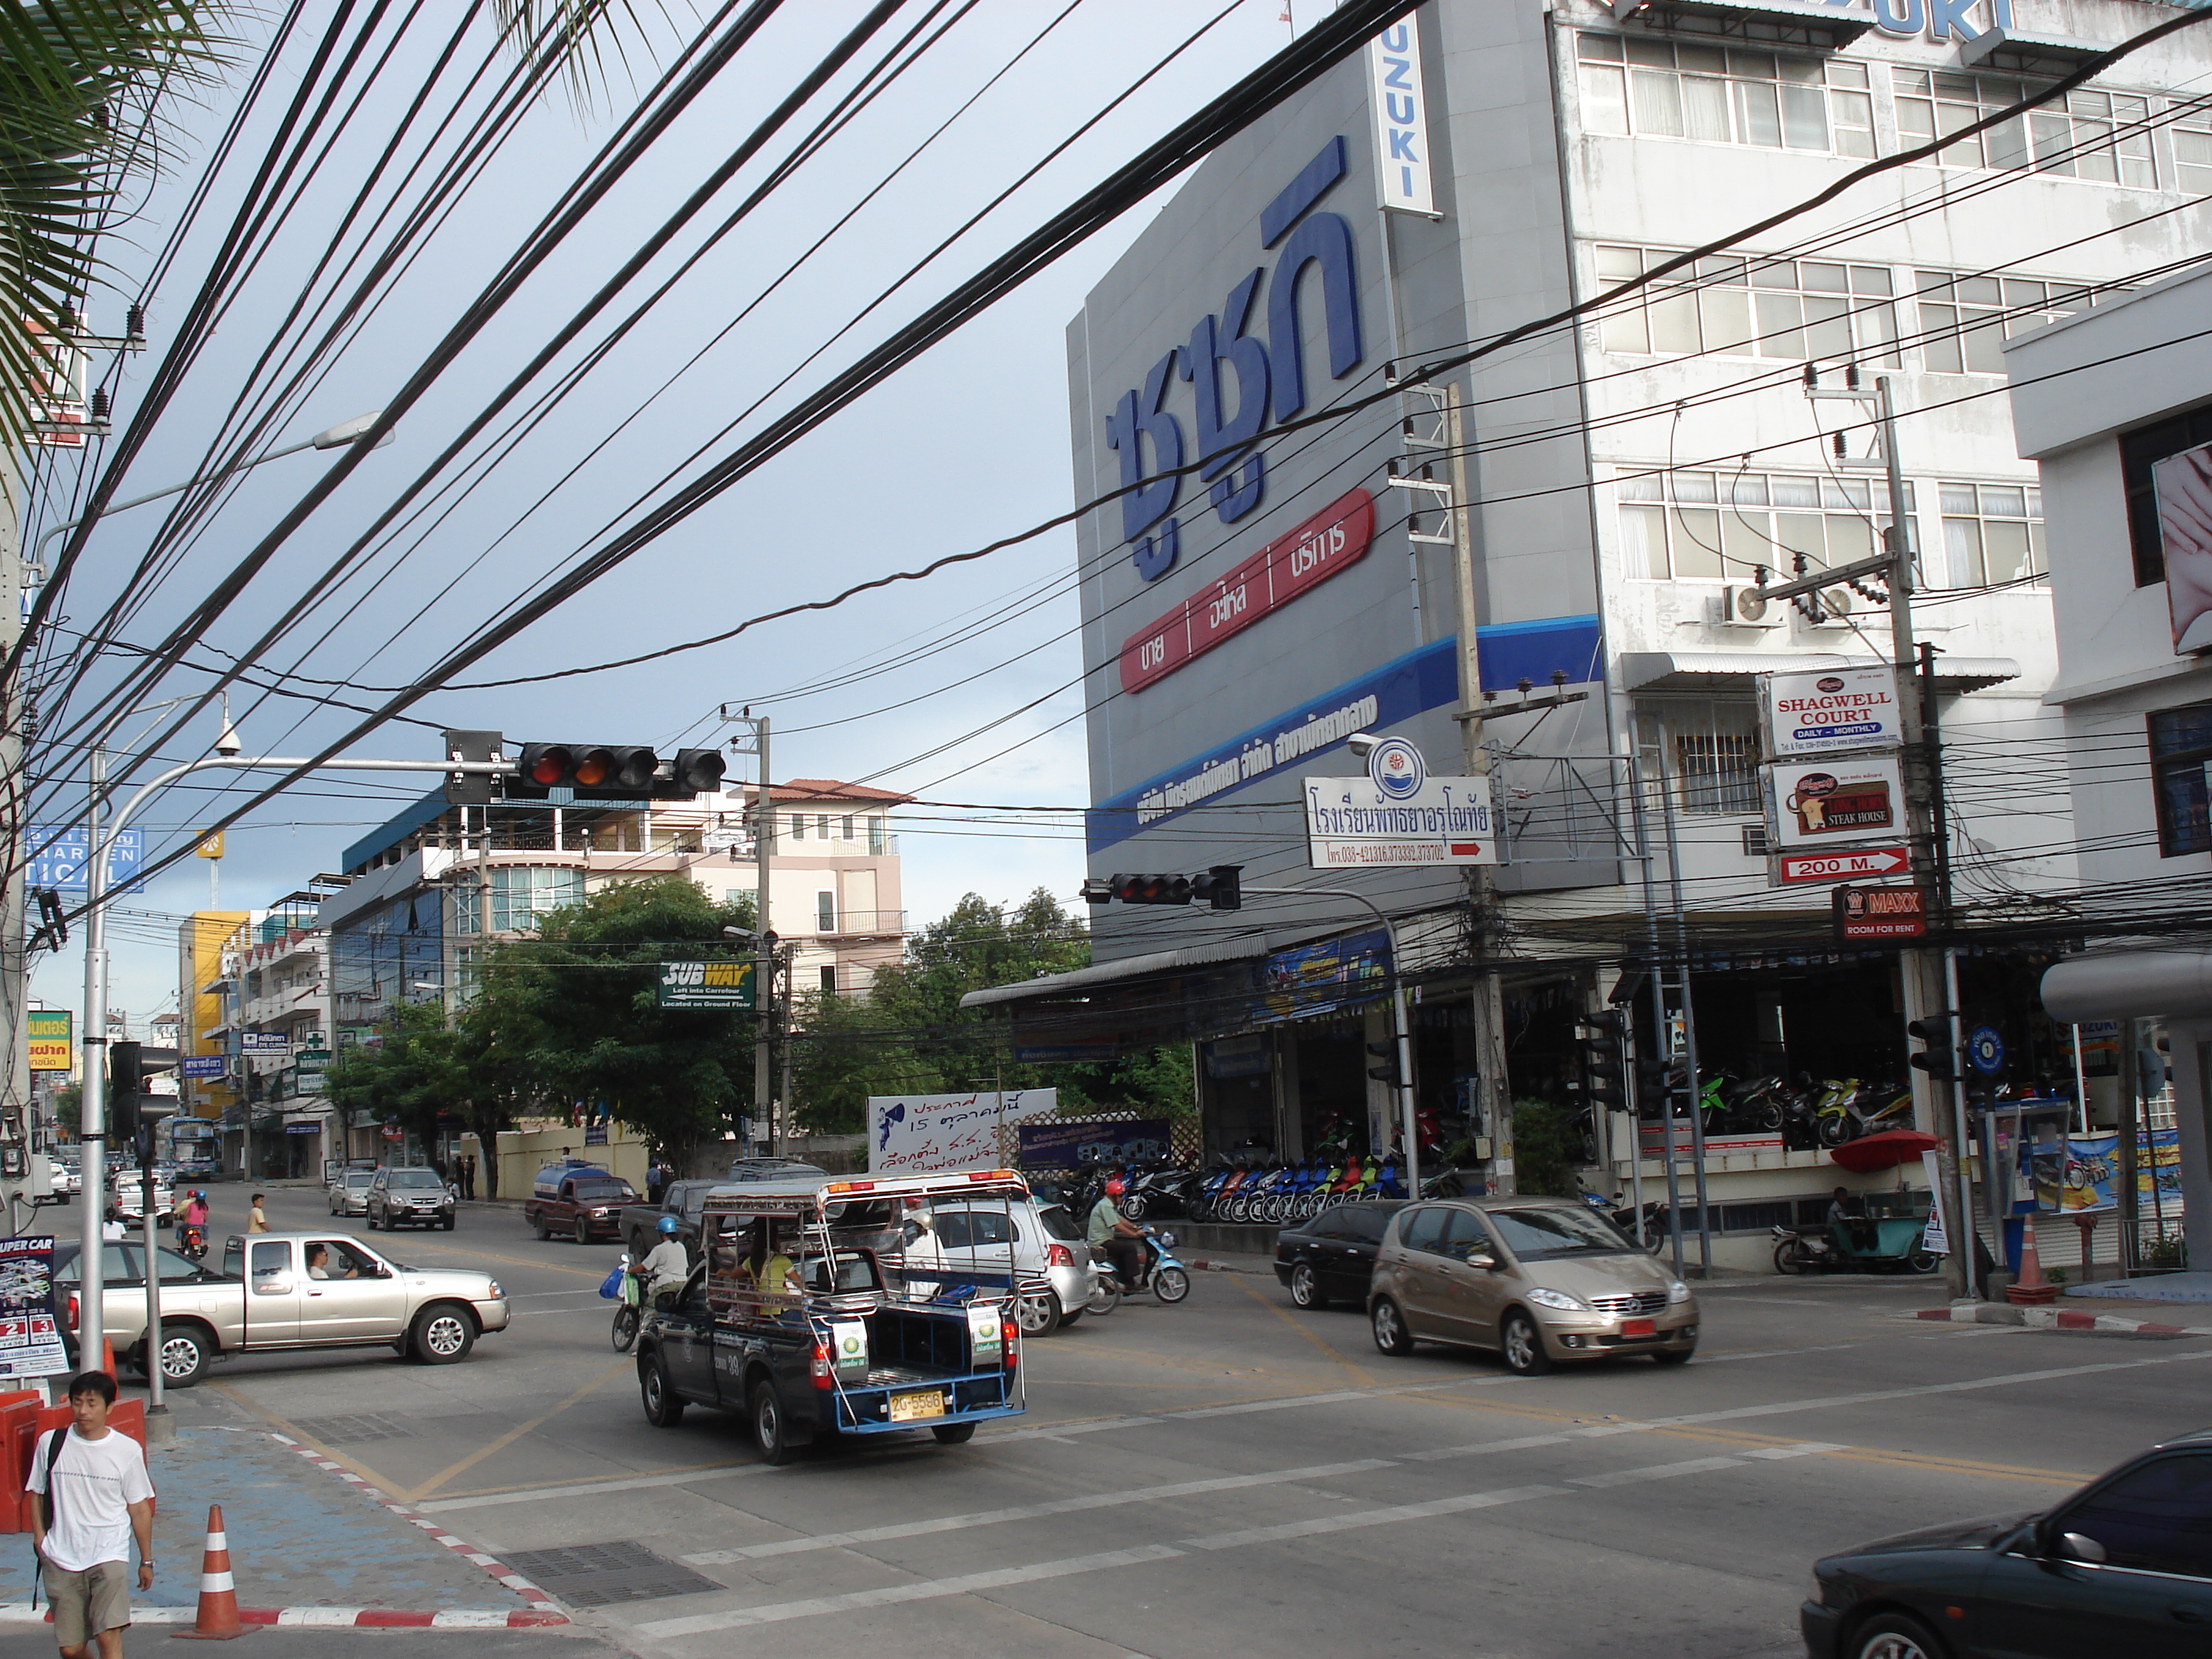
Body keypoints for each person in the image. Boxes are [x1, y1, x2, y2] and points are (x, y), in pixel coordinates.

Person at [25, 1370, 155, 1659]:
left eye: (91, 1403)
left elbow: (139, 1508)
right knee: (71, 1649)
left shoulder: (126, 1450)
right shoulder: (51, 1443)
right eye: (77, 1402)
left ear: (109, 1407)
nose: (83, 1411)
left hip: (109, 1553)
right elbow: (36, 1492)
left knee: (107, 1636)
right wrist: (40, 1540)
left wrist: (146, 1560)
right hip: (61, 1555)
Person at [1089, 1176, 1145, 1292]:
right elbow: (1116, 1224)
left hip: (1105, 1240)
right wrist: (1133, 1234)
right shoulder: (1105, 1206)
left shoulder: (1108, 1205)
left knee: (1122, 1251)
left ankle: (1125, 1282)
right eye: (1120, 1195)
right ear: (1113, 1196)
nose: (1122, 1198)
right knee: (1130, 1249)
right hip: (1100, 1243)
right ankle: (1131, 1283)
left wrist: (1135, 1227)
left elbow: (1120, 1219)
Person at [638, 1215, 690, 1299]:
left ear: (661, 1233)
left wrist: (630, 1271)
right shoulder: (681, 1246)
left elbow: (645, 1266)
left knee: (650, 1306)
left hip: (666, 1285)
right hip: (682, 1284)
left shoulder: (660, 1249)